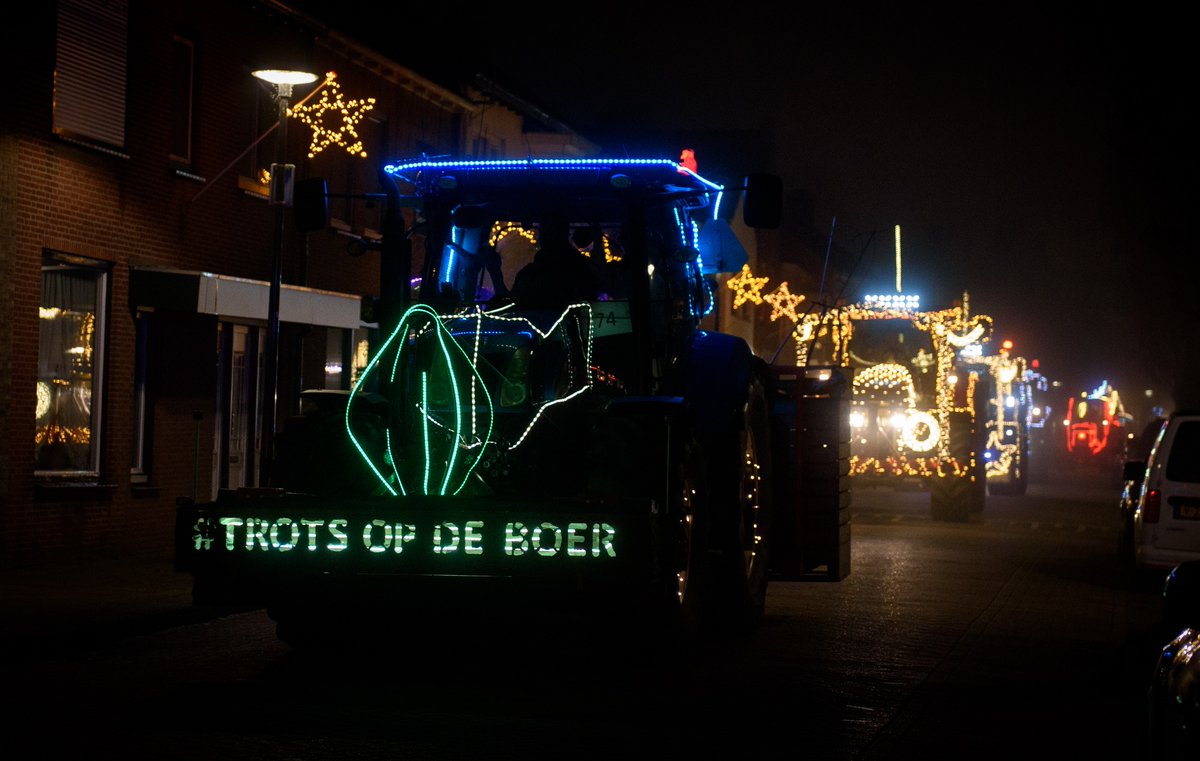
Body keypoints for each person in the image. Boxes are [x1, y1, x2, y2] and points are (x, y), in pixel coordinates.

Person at [509, 213, 597, 309]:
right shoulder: (583, 268)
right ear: (566, 234)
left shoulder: (529, 274)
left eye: (542, 232)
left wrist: (496, 273)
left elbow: (513, 304)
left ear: (542, 237)